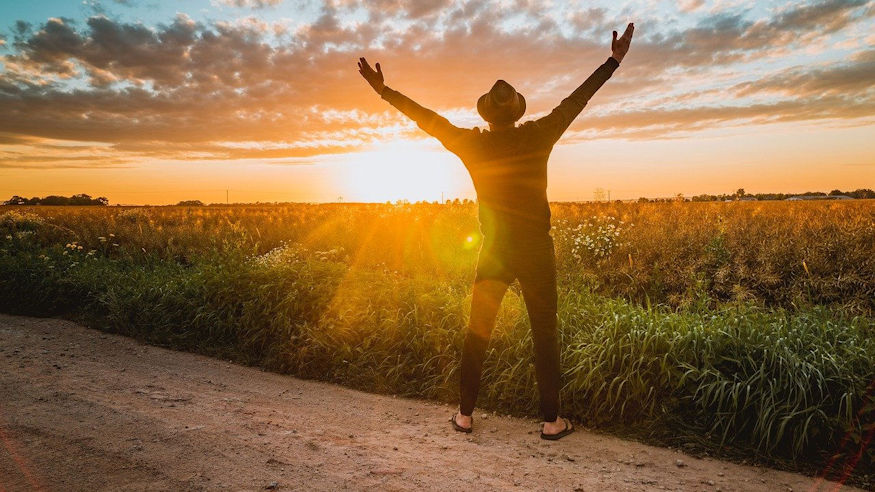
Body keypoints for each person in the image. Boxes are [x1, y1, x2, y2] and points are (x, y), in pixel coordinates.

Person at [358, 23, 634, 440]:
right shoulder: (540, 134)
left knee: (478, 331)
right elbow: (577, 100)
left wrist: (384, 91)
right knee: (545, 332)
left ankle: (465, 416)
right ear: (517, 111)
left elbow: (427, 120)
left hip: (494, 249)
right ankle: (551, 422)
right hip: (536, 249)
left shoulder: (473, 144)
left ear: (487, 114)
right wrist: (612, 62)